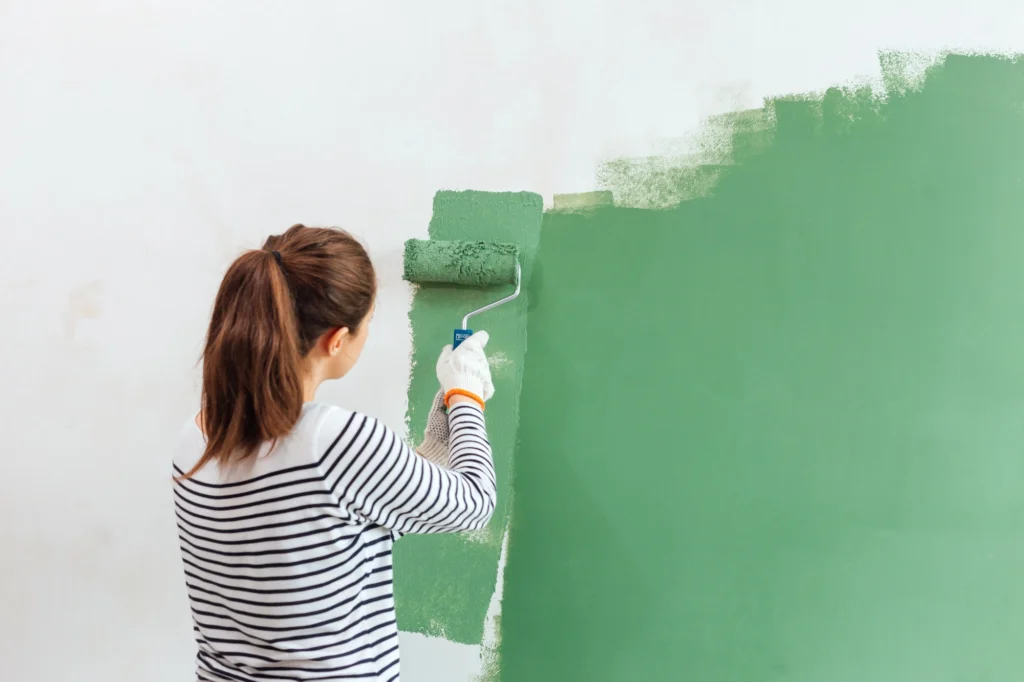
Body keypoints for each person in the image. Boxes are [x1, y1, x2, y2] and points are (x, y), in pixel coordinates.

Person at [172, 224, 497, 682]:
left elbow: (352, 519)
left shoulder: (196, 440)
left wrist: (446, 410)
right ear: (337, 340)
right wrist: (468, 398)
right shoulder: (334, 441)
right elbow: (474, 503)